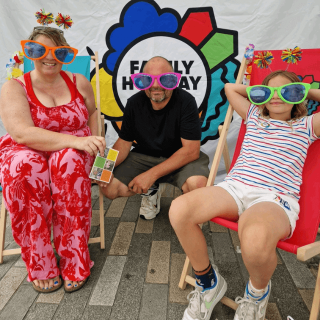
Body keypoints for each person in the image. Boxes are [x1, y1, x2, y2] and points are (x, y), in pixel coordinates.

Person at [169, 70, 320, 320]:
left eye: (287, 92)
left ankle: (256, 295)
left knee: (254, 239)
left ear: (298, 97)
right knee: (179, 210)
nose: (276, 98)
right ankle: (208, 283)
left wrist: (304, 90)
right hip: (235, 188)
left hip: (274, 199)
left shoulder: (306, 125)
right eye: (269, 92)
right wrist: (259, 94)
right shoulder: (253, 115)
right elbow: (230, 88)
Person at [0, 27, 106, 293]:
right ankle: (40, 262)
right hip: (29, 150)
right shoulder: (14, 87)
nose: (49, 57)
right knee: (25, 166)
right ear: (28, 52)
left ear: (65, 54)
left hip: (73, 154)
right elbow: (22, 134)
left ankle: (74, 258)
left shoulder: (79, 81)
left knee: (68, 161)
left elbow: (94, 114)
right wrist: (76, 140)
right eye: (38, 50)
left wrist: (99, 150)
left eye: (58, 51)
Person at [101, 56, 209, 219]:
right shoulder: (134, 103)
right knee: (109, 188)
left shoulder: (186, 101)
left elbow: (191, 151)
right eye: (148, 79)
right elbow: (123, 143)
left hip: (180, 158)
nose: (156, 85)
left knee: (198, 185)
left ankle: (183, 208)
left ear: (174, 80)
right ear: (142, 81)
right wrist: (99, 169)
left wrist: (150, 175)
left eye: (165, 79)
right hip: (144, 156)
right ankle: (151, 190)